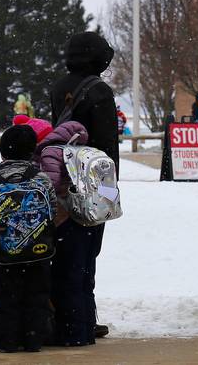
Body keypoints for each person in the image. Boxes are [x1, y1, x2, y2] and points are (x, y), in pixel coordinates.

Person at [50, 31, 119, 341]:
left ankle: (66, 315)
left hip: (60, 178)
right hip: (91, 183)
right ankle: (82, 319)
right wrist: (110, 191)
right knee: (88, 251)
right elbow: (107, 149)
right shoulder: (99, 91)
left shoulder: (58, 87)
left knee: (66, 251)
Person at [0, 125, 56, 352]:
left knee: (6, 296)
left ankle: (8, 340)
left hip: (4, 252)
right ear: (31, 151)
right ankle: (33, 339)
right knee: (36, 294)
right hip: (39, 249)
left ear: (3, 152)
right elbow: (52, 209)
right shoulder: (42, 180)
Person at [35, 120, 100, 346]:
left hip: (67, 222)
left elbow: (49, 186)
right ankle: (87, 331)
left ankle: (72, 335)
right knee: (84, 279)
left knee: (66, 279)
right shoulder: (85, 151)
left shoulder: (51, 152)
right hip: (91, 220)